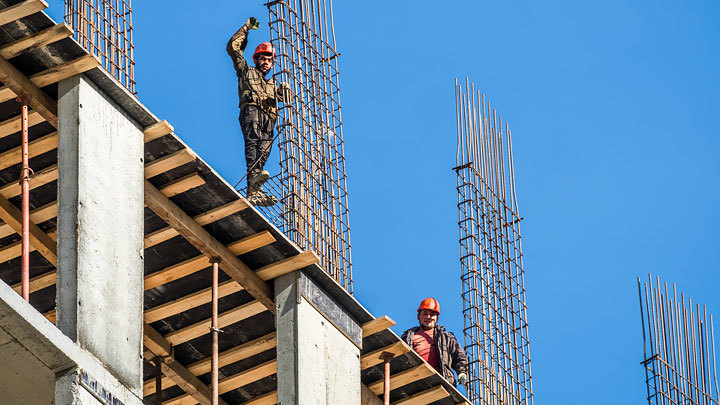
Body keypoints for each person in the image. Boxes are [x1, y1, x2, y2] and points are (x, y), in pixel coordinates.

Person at [226, 17, 290, 206]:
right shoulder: (247, 71)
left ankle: (254, 188)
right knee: (253, 142)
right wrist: (246, 28)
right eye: (263, 58)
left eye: (269, 60)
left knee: (264, 149)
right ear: (257, 59)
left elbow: (287, 98)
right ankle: (253, 182)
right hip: (252, 111)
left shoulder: (272, 85)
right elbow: (233, 48)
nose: (266, 62)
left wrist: (285, 92)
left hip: (269, 118)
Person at [401, 297, 469, 389]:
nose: (428, 317)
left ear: (437, 319)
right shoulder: (408, 338)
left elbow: (459, 357)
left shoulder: (446, 337)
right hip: (415, 381)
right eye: (425, 314)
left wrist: (462, 373)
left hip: (441, 383)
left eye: (432, 314)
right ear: (418, 316)